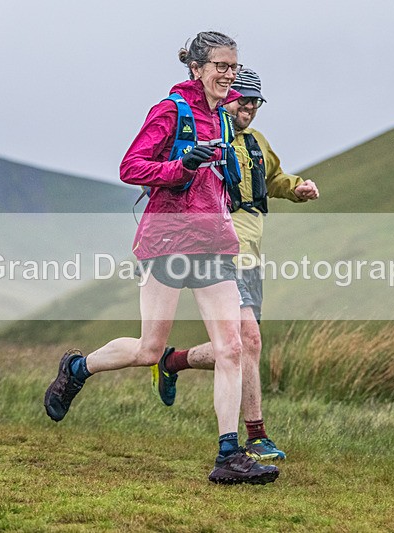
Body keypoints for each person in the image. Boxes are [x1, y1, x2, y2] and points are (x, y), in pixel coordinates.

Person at [43, 32, 279, 485]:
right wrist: (182, 166)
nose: (229, 75)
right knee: (150, 349)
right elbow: (131, 167)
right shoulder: (172, 111)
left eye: (234, 67)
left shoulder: (224, 121)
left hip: (214, 243)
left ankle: (229, 455)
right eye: (221, 67)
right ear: (197, 68)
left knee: (231, 348)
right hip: (167, 242)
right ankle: (76, 369)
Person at [150, 68, 319, 461]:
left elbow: (274, 178)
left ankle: (172, 361)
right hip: (221, 252)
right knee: (250, 342)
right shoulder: (211, 136)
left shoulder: (257, 142)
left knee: (241, 347)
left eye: (255, 102)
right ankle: (255, 435)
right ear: (226, 97)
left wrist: (297, 188)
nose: (249, 108)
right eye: (243, 99)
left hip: (252, 258)